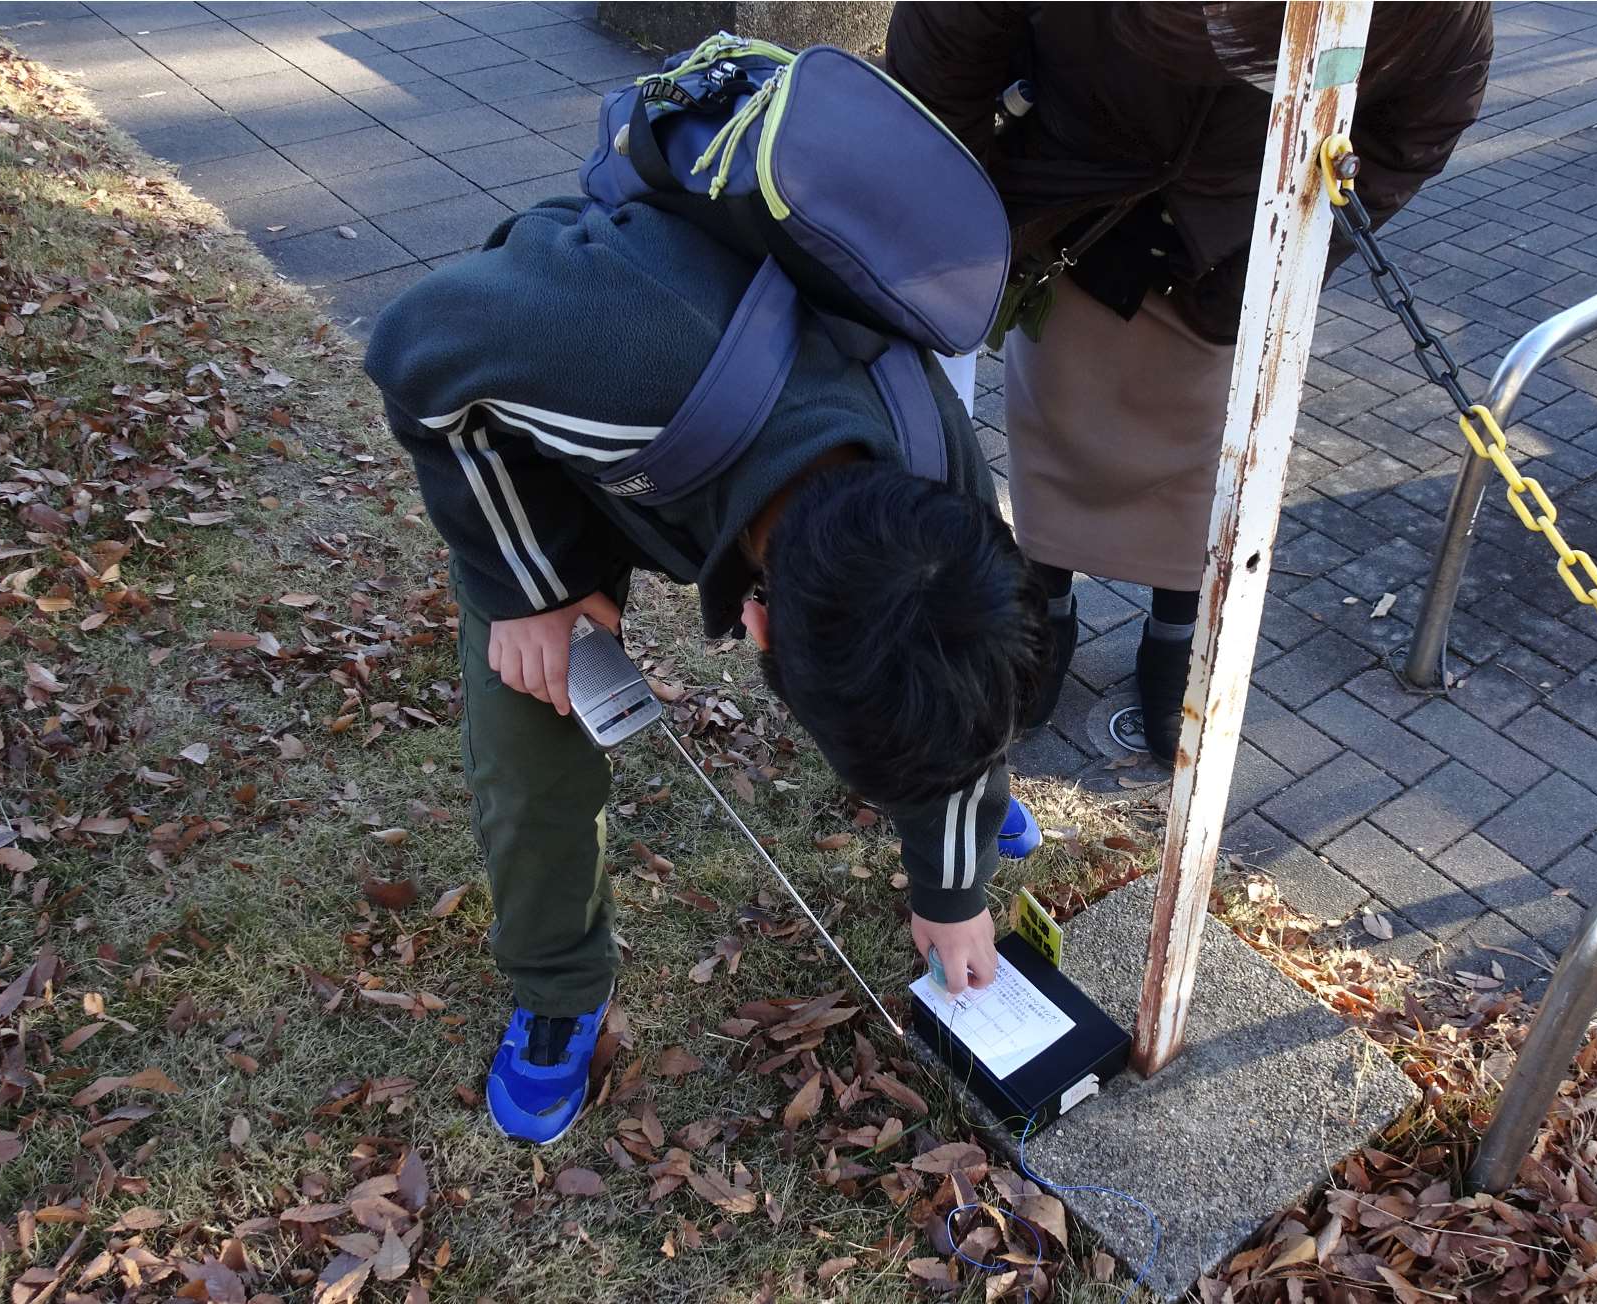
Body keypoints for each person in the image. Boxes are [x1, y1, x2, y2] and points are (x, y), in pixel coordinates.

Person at [364, 198, 1050, 1144]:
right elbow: (413, 350)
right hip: (564, 468)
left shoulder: (939, 475)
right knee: (532, 739)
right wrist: (527, 582)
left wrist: (951, 886)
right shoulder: (601, 349)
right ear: (756, 627)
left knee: (932, 695)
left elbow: (955, 662)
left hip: (731, 454)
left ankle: (959, 812)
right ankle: (560, 989)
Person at [887, 2, 1494, 761]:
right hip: (1073, 200)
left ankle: (1177, 636)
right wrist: (982, 231)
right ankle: (1044, 614)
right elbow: (937, 79)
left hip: (1242, 233)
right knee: (1054, 434)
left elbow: (1423, 117)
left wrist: (1291, 256)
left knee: (1205, 466)